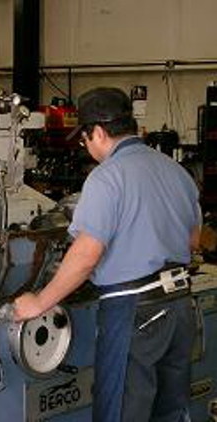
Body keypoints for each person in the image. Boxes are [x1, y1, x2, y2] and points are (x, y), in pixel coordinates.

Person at [14, 87, 201, 422]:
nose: (86, 147)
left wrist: (39, 303)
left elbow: (86, 255)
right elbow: (192, 242)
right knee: (170, 413)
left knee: (121, 413)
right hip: (180, 307)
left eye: (84, 139)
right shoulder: (177, 172)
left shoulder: (107, 177)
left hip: (135, 313)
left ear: (98, 132)